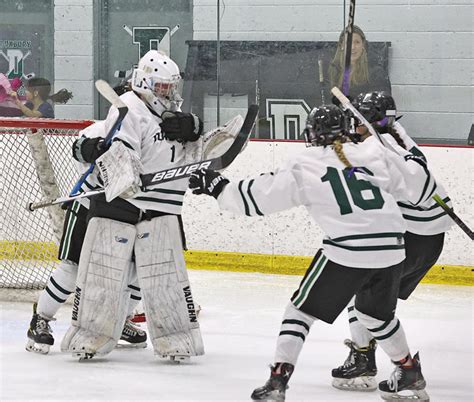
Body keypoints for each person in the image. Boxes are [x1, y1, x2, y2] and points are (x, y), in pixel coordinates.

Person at [189, 104, 432, 401]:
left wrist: (217, 187)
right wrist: (406, 151)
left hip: (349, 249)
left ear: (312, 133)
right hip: (393, 248)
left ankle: (277, 381)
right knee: (374, 315)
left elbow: (259, 197)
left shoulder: (305, 162)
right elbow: (420, 188)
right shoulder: (375, 151)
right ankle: (409, 372)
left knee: (299, 312)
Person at [60, 50, 205, 361]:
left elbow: (188, 154)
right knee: (104, 271)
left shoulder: (171, 112)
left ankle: (175, 336)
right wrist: (129, 174)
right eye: (162, 86)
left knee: (162, 272)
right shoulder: (128, 109)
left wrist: (195, 128)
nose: (168, 92)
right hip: (118, 205)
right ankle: (89, 333)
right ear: (144, 82)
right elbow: (121, 152)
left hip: (160, 206)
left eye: (171, 86)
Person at [331, 92, 453, 393]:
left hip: (410, 239)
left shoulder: (379, 150)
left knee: (367, 305)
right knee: (365, 296)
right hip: (429, 240)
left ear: (368, 122)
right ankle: (364, 357)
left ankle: (403, 373)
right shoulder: (396, 133)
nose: (352, 126)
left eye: (357, 121)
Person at [26, 122, 147, 355]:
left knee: (137, 270)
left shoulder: (149, 131)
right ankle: (40, 319)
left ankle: (121, 320)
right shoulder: (100, 129)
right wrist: (89, 149)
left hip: (132, 210)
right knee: (72, 270)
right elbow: (78, 148)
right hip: (87, 207)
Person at [328, 25, 391, 99]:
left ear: (363, 45)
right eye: (348, 42)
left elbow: (382, 104)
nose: (352, 47)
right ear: (341, 46)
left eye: (357, 42)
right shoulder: (334, 70)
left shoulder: (376, 73)